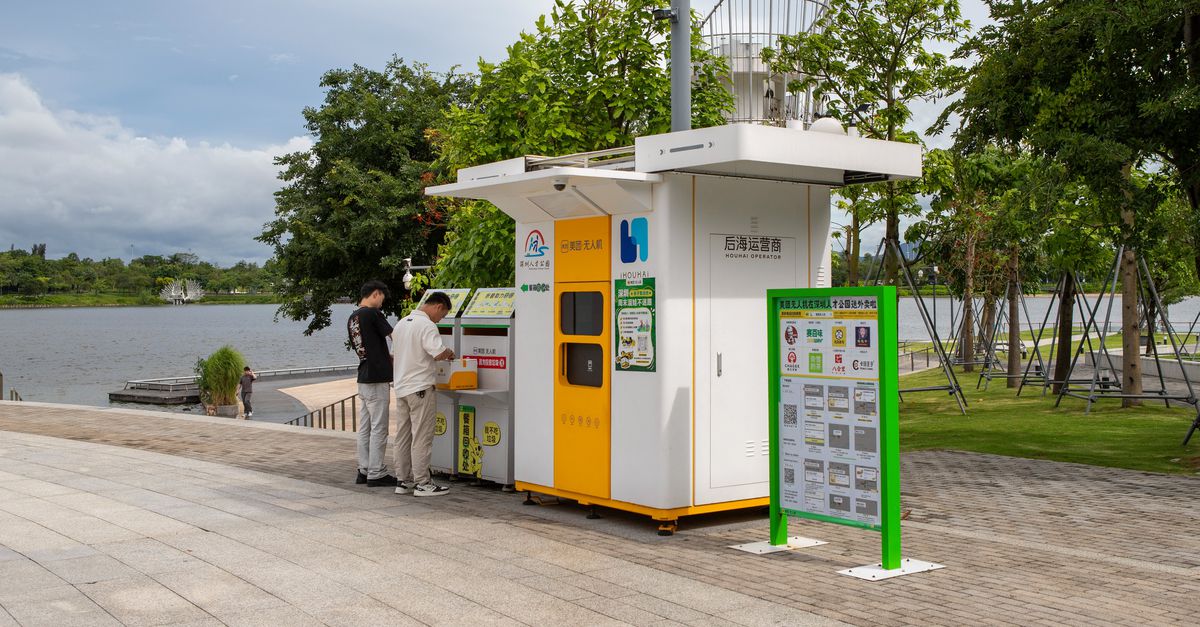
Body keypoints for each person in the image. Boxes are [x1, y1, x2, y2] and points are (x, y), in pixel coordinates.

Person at [391, 291, 455, 497]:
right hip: (420, 388)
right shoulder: (427, 325)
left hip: (401, 388)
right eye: (443, 315)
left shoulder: (401, 324)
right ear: (438, 306)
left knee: (402, 436)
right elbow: (437, 352)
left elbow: (393, 355)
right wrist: (449, 353)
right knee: (422, 436)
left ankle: (403, 481)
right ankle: (423, 483)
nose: (441, 319)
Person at [348, 280, 398, 487]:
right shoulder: (372, 314)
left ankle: (364, 469)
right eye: (382, 298)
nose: (382, 303)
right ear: (376, 294)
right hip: (378, 377)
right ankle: (377, 472)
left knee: (365, 426)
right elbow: (395, 335)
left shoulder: (353, 317)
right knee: (379, 427)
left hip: (364, 375)